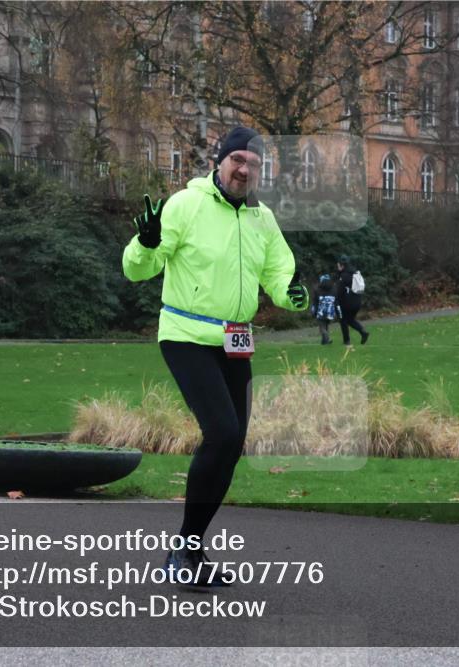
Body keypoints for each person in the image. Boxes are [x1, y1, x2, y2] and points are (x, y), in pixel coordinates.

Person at [122, 126, 309, 586]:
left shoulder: (262, 218)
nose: (244, 170)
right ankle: (183, 554)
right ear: (219, 161)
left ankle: (191, 551)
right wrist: (144, 243)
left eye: (253, 164)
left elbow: (279, 274)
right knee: (222, 431)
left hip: (235, 341)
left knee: (231, 444)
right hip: (186, 334)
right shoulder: (186, 205)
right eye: (237, 160)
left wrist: (295, 295)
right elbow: (135, 270)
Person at [335, 255, 369, 346]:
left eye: (338, 265)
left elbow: (340, 291)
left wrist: (336, 301)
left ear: (342, 265)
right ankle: (363, 332)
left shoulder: (344, 276)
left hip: (348, 302)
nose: (337, 267)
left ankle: (346, 341)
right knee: (349, 320)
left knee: (343, 320)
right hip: (357, 301)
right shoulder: (355, 273)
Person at [311, 274, 339, 345]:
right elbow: (336, 301)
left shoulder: (317, 289)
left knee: (322, 327)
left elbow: (315, 302)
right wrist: (338, 312)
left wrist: (313, 312)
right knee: (326, 325)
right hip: (330, 312)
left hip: (321, 311)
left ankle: (326, 337)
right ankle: (324, 341)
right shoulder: (334, 288)